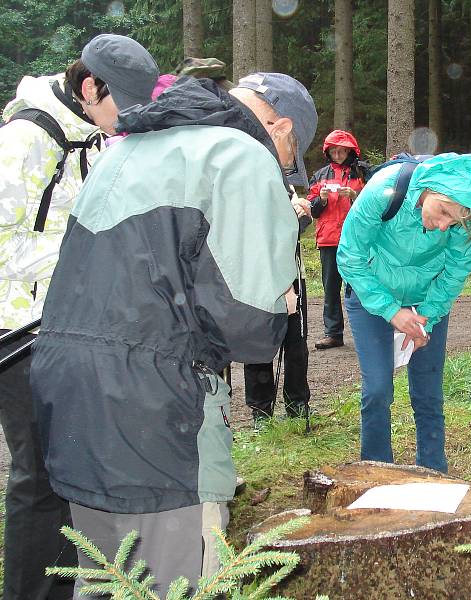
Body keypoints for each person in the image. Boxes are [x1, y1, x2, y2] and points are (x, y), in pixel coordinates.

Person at [30, 69, 317, 594]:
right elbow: (248, 326)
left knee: (103, 570)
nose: (283, 171)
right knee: (177, 575)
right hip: (160, 410)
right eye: (289, 159)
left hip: (70, 395)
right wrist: (284, 304)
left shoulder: (128, 145)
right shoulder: (239, 155)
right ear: (280, 129)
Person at [0, 34, 158, 600]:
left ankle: (62, 589)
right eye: (126, 105)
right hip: (17, 333)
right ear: (91, 87)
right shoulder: (26, 139)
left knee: (71, 473)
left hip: (66, 329)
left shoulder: (89, 138)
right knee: (39, 480)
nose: (129, 120)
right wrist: (85, 250)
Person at [337, 153, 471, 473]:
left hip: (425, 303)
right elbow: (350, 256)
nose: (443, 226)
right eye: (442, 213)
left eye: (452, 222)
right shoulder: (385, 191)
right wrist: (392, 312)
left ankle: (434, 471)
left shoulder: (466, 220)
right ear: (430, 189)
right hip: (373, 297)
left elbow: (454, 272)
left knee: (428, 392)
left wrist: (428, 318)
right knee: (378, 390)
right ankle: (377, 472)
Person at [245, 187, 313, 424]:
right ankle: (261, 412)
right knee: (258, 344)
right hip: (256, 277)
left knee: (296, 343)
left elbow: (297, 227)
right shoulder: (246, 185)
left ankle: (298, 404)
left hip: (293, 274)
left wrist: (303, 213)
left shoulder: (287, 187)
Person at [307, 130, 367, 350]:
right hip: (329, 240)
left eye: (342, 150)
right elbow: (312, 210)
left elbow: (375, 204)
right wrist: (321, 200)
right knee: (331, 288)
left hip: (356, 239)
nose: (338, 154)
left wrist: (354, 196)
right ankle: (333, 334)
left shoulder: (361, 173)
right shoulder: (320, 175)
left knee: (359, 286)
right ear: (328, 152)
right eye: (334, 150)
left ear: (350, 151)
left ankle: (365, 331)